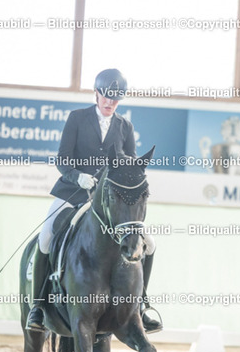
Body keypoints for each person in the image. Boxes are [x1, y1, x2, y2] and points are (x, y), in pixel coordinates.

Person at [26, 68, 162, 334]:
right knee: (46, 236)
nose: (110, 102)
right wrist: (78, 177)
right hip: (74, 191)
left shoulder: (125, 126)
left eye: (116, 98)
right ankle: (39, 306)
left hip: (111, 200)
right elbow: (63, 159)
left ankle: (142, 305)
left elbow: (130, 163)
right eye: (107, 96)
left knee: (150, 243)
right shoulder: (77, 118)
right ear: (97, 93)